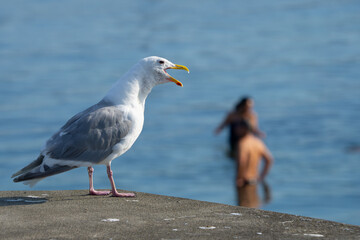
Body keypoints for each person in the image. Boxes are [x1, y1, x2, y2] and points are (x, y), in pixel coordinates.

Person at [234, 120, 273, 188]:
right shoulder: (258, 142)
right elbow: (269, 160)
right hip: (255, 180)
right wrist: (262, 177)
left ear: (244, 128)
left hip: (245, 181)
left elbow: (242, 161)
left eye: (238, 127)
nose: (236, 130)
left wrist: (239, 178)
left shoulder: (242, 143)